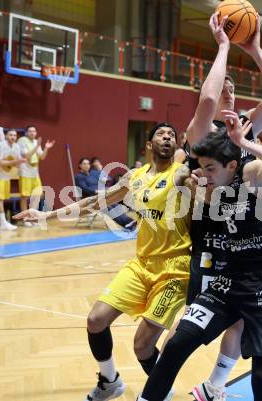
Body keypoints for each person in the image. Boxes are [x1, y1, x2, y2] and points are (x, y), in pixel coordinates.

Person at [14, 123, 193, 401]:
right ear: (148, 144)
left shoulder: (181, 174)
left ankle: (160, 390)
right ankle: (110, 381)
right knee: (96, 320)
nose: (167, 137)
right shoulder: (135, 177)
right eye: (161, 133)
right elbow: (93, 203)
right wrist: (45, 215)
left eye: (172, 134)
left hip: (174, 269)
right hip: (142, 264)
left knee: (142, 346)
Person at [138, 111, 262, 401]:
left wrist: (246, 143)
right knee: (175, 345)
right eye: (201, 168)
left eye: (209, 168)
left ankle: (215, 385)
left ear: (233, 165)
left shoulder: (252, 176)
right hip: (230, 280)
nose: (203, 174)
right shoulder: (211, 189)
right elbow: (198, 133)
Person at [185, 12, 262, 399]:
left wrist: (257, 50)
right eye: (222, 83)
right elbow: (209, 97)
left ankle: (214, 385)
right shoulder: (200, 132)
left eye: (233, 86)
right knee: (200, 323)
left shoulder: (245, 128)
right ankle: (164, 375)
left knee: (243, 321)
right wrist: (224, 47)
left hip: (251, 233)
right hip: (213, 237)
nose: (227, 91)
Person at [75, 157, 136, 230]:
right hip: (89, 198)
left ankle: (129, 221)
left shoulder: (93, 174)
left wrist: (100, 171)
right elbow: (84, 188)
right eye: (84, 164)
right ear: (80, 165)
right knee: (106, 205)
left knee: (113, 202)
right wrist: (96, 191)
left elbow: (108, 179)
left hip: (100, 195)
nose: (86, 165)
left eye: (88, 163)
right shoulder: (79, 177)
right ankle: (126, 223)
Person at [18, 125, 55, 227]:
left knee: (36, 196)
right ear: (26, 133)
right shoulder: (22, 141)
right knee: (24, 197)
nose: (32, 133)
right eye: (30, 131)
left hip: (34, 173)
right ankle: (25, 218)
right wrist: (37, 146)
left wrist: (46, 148)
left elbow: (42, 156)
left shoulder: (35, 142)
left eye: (34, 131)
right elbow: (27, 155)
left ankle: (32, 218)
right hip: (25, 172)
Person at [0, 129, 26, 230]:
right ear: (6, 136)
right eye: (11, 135)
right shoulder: (0, 145)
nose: (13, 137)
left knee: (1, 198)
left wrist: (22, 161)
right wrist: (16, 161)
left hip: (6, 176)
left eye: (15, 135)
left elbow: (17, 163)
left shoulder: (16, 147)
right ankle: (3, 222)